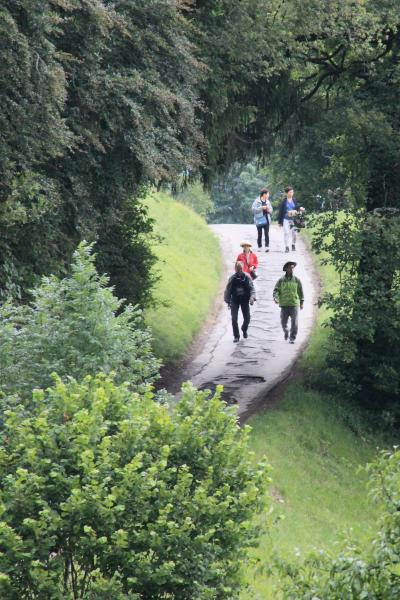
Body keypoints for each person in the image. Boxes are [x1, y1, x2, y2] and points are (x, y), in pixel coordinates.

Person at [224, 261, 256, 342]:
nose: (239, 271)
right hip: (235, 300)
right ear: (235, 269)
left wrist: (252, 298)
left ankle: (244, 329)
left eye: (240, 269)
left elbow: (252, 289)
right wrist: (228, 301)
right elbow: (227, 290)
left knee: (247, 318)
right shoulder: (232, 278)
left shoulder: (247, 277)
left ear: (243, 268)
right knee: (234, 319)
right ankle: (236, 336)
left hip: (244, 300)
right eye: (237, 269)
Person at [273, 261, 304, 344]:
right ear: (286, 269)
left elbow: (301, 291)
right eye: (290, 268)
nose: (292, 269)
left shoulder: (297, 280)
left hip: (294, 304)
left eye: (293, 268)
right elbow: (276, 290)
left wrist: (301, 302)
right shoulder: (281, 280)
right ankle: (286, 331)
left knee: (294, 322)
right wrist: (275, 298)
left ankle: (292, 338)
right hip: (284, 305)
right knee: (283, 322)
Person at [278, 186, 299, 253]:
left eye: (292, 192)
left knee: (295, 233)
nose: (291, 193)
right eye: (290, 192)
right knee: (286, 232)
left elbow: (297, 208)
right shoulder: (284, 201)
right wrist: (280, 222)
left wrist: (300, 209)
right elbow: (281, 211)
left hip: (294, 219)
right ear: (287, 193)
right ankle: (287, 246)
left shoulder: (294, 200)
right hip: (286, 219)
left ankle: (293, 244)